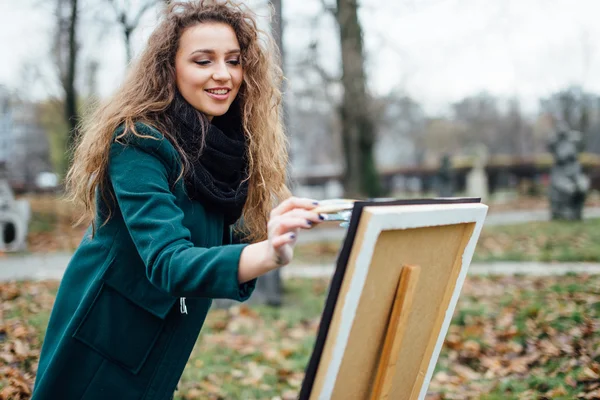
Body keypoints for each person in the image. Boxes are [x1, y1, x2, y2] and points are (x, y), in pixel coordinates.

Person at [32, 1, 323, 398]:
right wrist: (269, 253)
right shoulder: (137, 143)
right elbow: (169, 262)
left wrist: (281, 225)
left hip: (166, 337)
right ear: (170, 69)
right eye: (203, 61)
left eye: (234, 60)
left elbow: (224, 244)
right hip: (103, 339)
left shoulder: (230, 150)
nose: (223, 74)